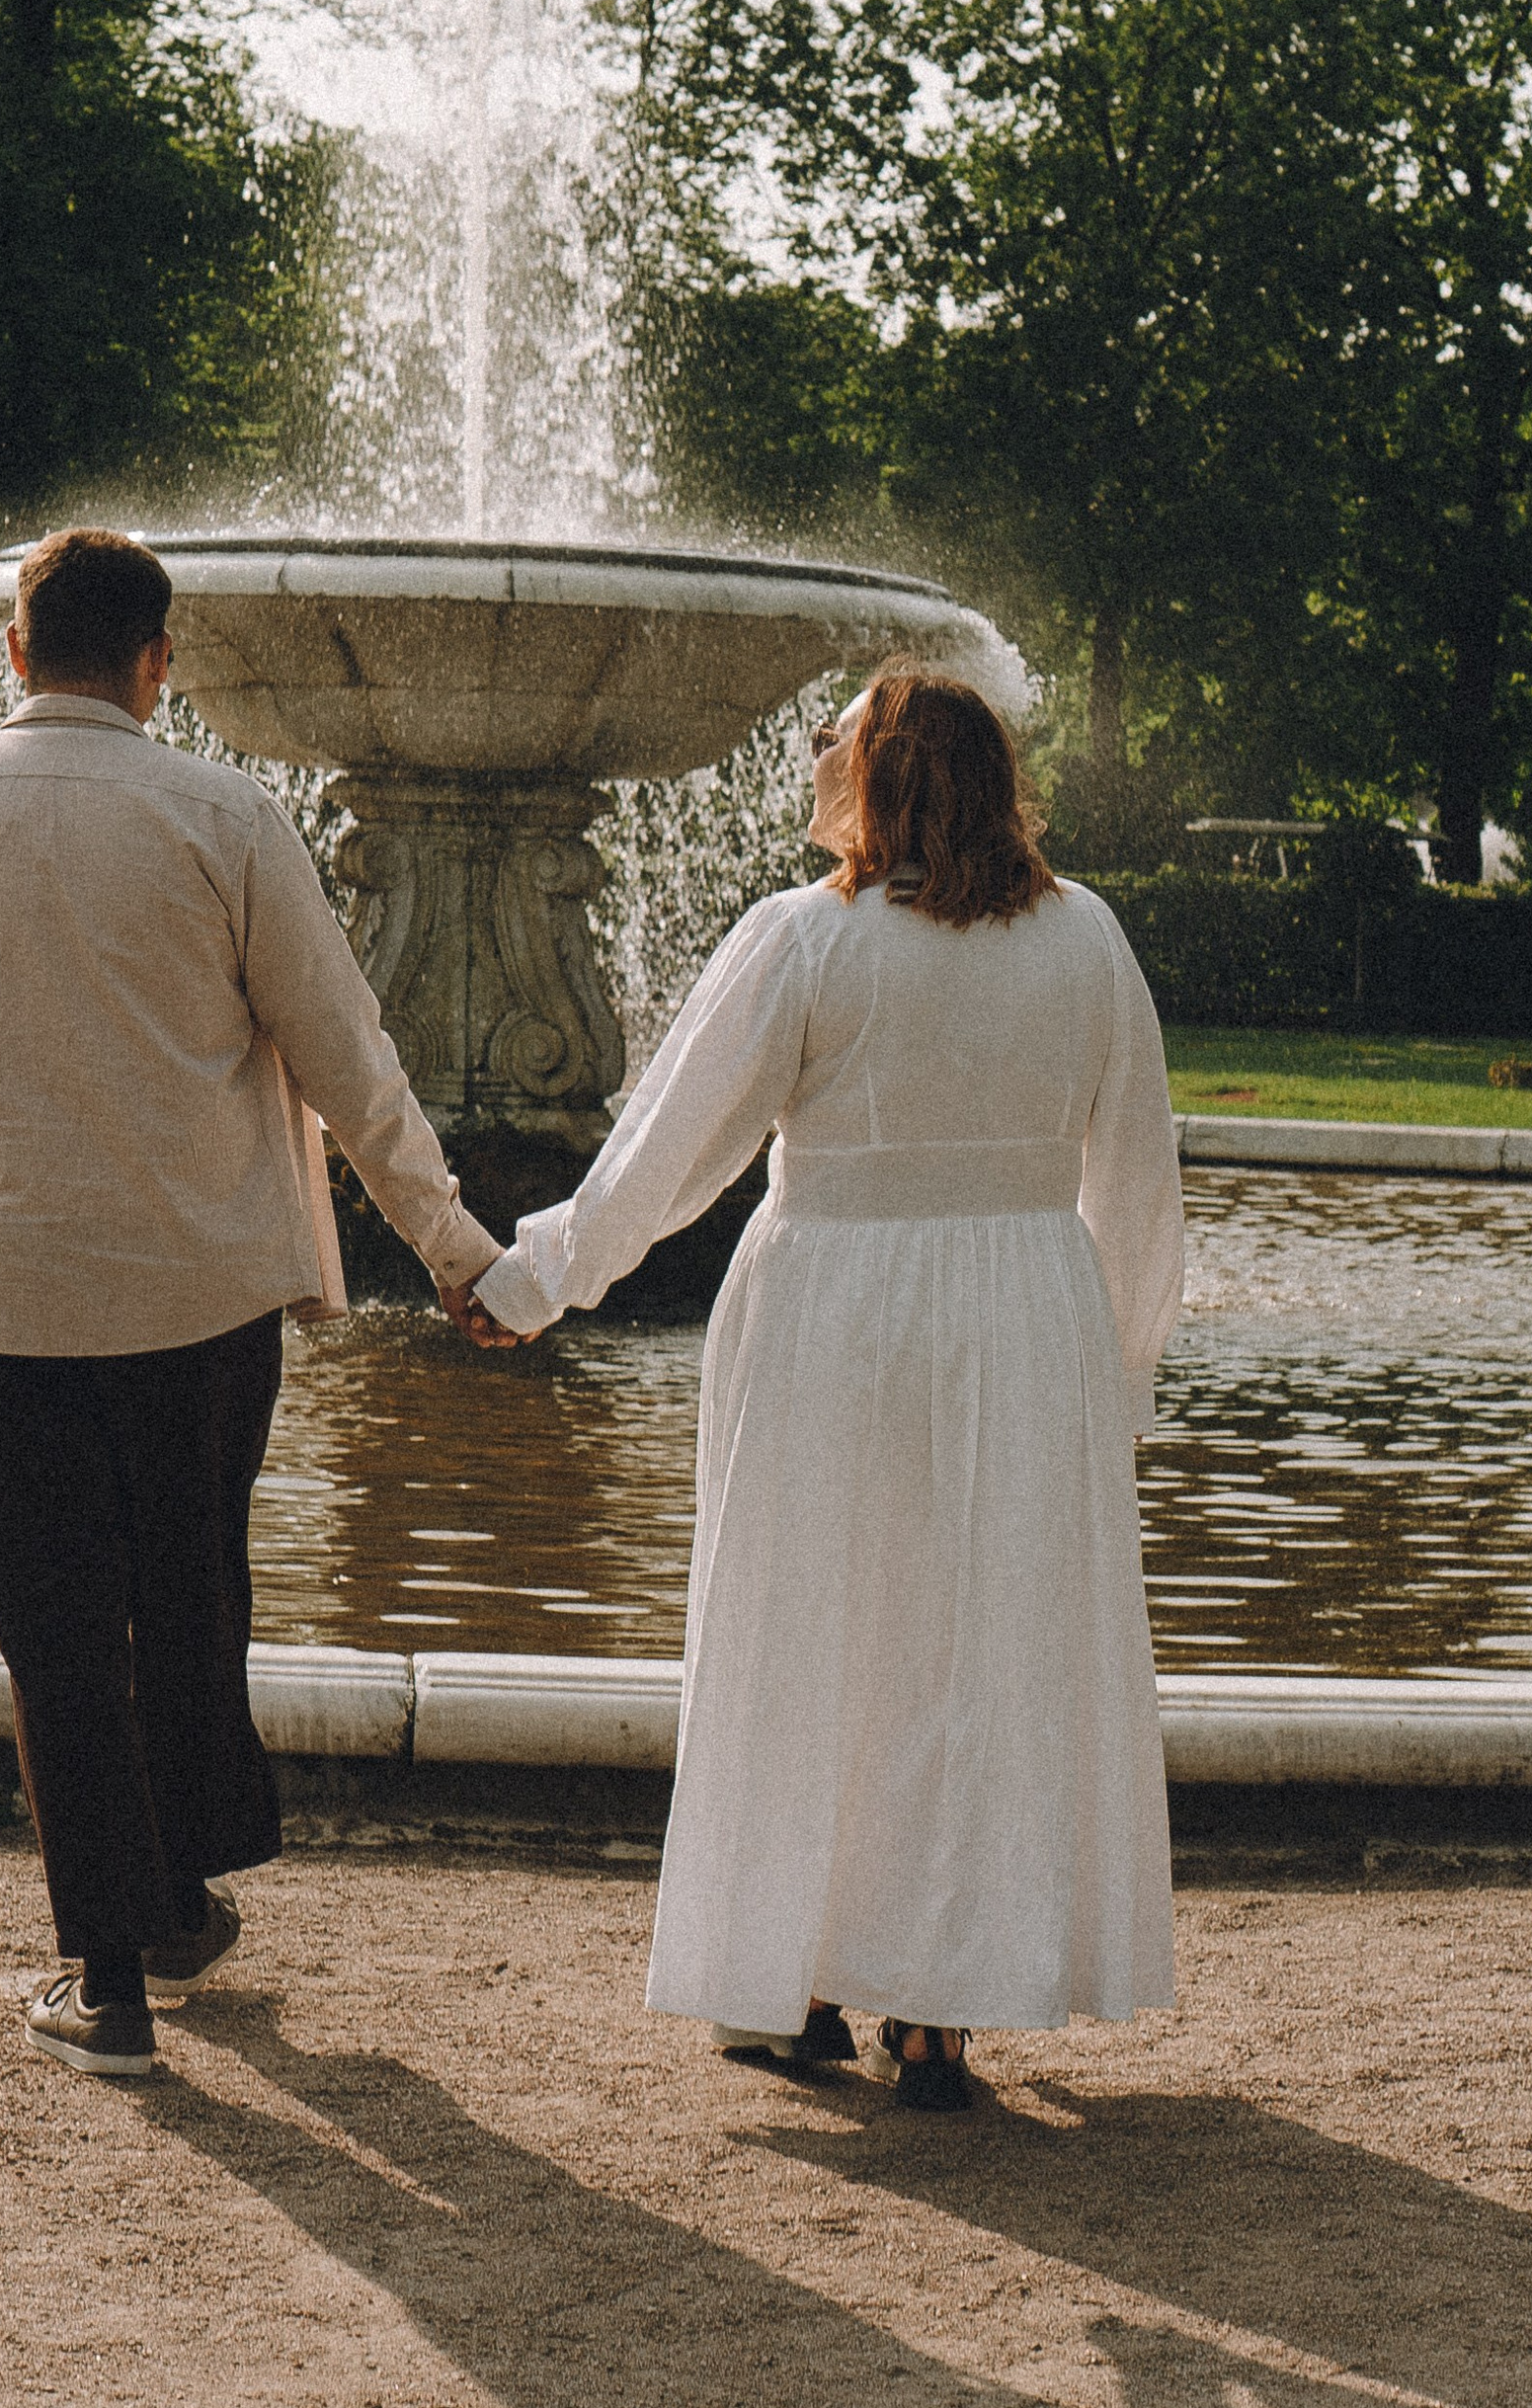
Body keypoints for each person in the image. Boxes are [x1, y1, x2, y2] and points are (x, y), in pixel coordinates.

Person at [0, 527, 505, 2080]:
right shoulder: (224, 814)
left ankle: (111, 1970)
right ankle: (178, 1898)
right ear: (159, 663)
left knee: (56, 1624)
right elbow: (347, 1056)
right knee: (189, 1589)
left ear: (15, 652)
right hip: (200, 1294)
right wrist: (452, 1244)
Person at [470, 670, 1187, 2112]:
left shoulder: (807, 939)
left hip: (836, 1317)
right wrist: (1116, 1374)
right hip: (1028, 1320)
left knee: (813, 1637)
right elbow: (1140, 1180)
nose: (814, 751)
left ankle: (794, 1982)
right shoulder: (1087, 938)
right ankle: (937, 2011)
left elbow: (672, 1158)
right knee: (977, 1657)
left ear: (885, 777)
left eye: (837, 735)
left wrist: (537, 1279)